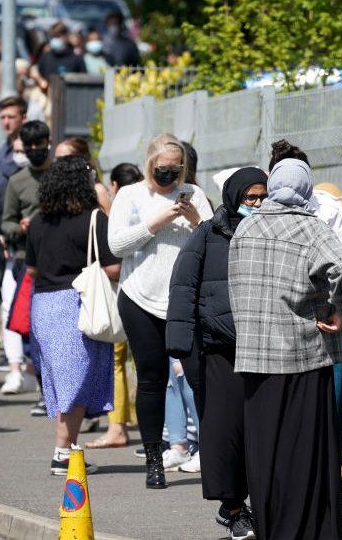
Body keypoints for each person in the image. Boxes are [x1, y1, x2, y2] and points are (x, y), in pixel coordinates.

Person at [229, 158, 342, 539]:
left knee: (264, 451)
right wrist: (341, 313)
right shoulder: (309, 227)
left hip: (253, 355)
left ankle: (270, 528)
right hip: (303, 352)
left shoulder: (244, 229)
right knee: (304, 451)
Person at [109, 134, 213, 488]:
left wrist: (196, 218)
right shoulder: (130, 195)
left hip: (185, 301)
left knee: (201, 378)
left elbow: (216, 239)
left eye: (176, 169)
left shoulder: (195, 195)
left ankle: (211, 456)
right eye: (163, 169)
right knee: (152, 379)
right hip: (140, 298)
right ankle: (155, 457)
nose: (169, 175)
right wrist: (156, 221)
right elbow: (116, 245)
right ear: (149, 165)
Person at [167, 166, 265, 537]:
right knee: (225, 430)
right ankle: (233, 506)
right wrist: (181, 346)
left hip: (263, 349)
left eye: (261, 196)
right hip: (219, 350)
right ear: (234, 196)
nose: (256, 203)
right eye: (249, 197)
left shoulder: (271, 232)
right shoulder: (209, 234)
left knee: (259, 432)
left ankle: (263, 502)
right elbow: (183, 287)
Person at [27, 155, 119, 474]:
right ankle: (62, 453)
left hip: (42, 304)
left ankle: (68, 449)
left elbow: (31, 267)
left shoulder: (39, 221)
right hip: (76, 302)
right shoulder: (94, 218)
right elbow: (112, 267)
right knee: (75, 381)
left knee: (63, 381)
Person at [84, 162, 143, 451]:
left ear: (115, 187)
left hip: (122, 289)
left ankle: (116, 427)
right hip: (142, 288)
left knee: (116, 361)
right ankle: (127, 419)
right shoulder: (146, 204)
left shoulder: (117, 211)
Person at [0, 121, 52, 409]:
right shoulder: (17, 181)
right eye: (28, 147)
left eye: (39, 144)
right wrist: (19, 228)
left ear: (49, 141)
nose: (34, 151)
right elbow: (4, 222)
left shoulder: (61, 174)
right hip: (27, 262)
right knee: (33, 330)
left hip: (62, 260)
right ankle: (45, 391)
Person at [55, 138, 111, 213]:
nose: (57, 166)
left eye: (63, 160)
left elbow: (108, 222)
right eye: (56, 160)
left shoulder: (98, 191)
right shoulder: (57, 192)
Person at [34, 22, 86, 88]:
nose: (56, 39)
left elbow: (83, 78)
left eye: (58, 36)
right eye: (53, 37)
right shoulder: (45, 57)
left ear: (66, 36)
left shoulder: (76, 57)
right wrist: (41, 81)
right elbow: (37, 72)